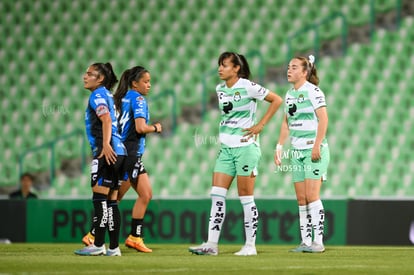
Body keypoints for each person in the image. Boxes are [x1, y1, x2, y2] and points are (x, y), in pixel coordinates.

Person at [189, 52, 282, 256]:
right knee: (217, 196)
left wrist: (261, 125)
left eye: (224, 65)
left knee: (246, 198)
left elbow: (277, 100)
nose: (220, 69)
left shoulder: (248, 86)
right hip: (225, 150)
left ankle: (250, 246)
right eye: (219, 65)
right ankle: (211, 245)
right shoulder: (220, 89)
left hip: (246, 149)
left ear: (236, 68)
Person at [82, 66, 161, 253]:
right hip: (129, 152)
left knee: (146, 194)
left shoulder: (121, 98)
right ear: (135, 83)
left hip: (125, 150)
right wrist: (156, 127)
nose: (149, 85)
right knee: (113, 198)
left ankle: (135, 236)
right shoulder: (139, 99)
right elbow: (140, 127)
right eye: (146, 81)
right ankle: (95, 236)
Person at [274, 55, 329, 253]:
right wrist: (280, 146)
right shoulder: (289, 95)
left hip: (314, 150)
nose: (289, 70)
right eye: (288, 66)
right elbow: (285, 123)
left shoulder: (313, 92)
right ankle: (305, 242)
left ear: (305, 72)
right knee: (301, 198)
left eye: (294, 67)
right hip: (296, 152)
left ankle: (318, 242)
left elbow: (323, 119)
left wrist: (317, 145)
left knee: (312, 195)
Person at [74, 62, 126, 256]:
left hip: (107, 151)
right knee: (111, 200)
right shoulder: (109, 95)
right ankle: (113, 248)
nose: (85, 77)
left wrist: (105, 144)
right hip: (120, 151)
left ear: (101, 78)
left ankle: (97, 245)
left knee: (99, 198)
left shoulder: (97, 95)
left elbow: (105, 119)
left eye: (89, 74)